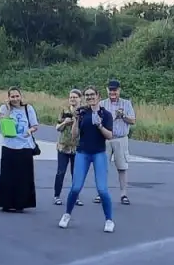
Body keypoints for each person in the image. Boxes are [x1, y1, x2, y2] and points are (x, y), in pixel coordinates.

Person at [58, 87, 115, 233]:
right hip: (82, 152)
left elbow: (109, 136)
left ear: (98, 96)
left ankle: (109, 220)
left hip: (99, 153)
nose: (89, 97)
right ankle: (66, 214)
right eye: (87, 95)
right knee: (76, 187)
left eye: (92, 95)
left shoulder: (105, 114)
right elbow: (74, 135)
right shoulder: (82, 112)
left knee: (102, 189)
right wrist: (76, 120)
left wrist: (100, 125)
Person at [0, 87, 39, 212]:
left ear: (21, 96)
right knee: (7, 175)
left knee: (24, 176)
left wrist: (30, 131)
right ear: (8, 97)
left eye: (17, 96)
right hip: (9, 145)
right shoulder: (4, 108)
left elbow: (35, 125)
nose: (15, 99)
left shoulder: (28, 108)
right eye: (12, 97)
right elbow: (4, 123)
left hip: (24, 145)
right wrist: (8, 109)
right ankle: (6, 202)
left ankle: (21, 203)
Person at [98, 79, 136, 205]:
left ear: (119, 90)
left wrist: (123, 116)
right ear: (107, 90)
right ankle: (101, 193)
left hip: (121, 138)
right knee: (103, 167)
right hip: (106, 138)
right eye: (111, 90)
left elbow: (133, 120)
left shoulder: (126, 103)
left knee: (122, 167)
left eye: (115, 90)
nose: (113, 92)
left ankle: (123, 194)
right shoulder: (102, 104)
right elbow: (98, 120)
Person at [53, 89, 80, 206]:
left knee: (76, 173)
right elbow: (57, 127)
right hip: (63, 146)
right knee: (61, 171)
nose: (72, 99)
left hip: (77, 147)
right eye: (71, 97)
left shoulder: (82, 111)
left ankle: (76, 196)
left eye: (75, 97)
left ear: (80, 98)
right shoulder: (64, 111)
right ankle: (57, 195)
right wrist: (65, 122)